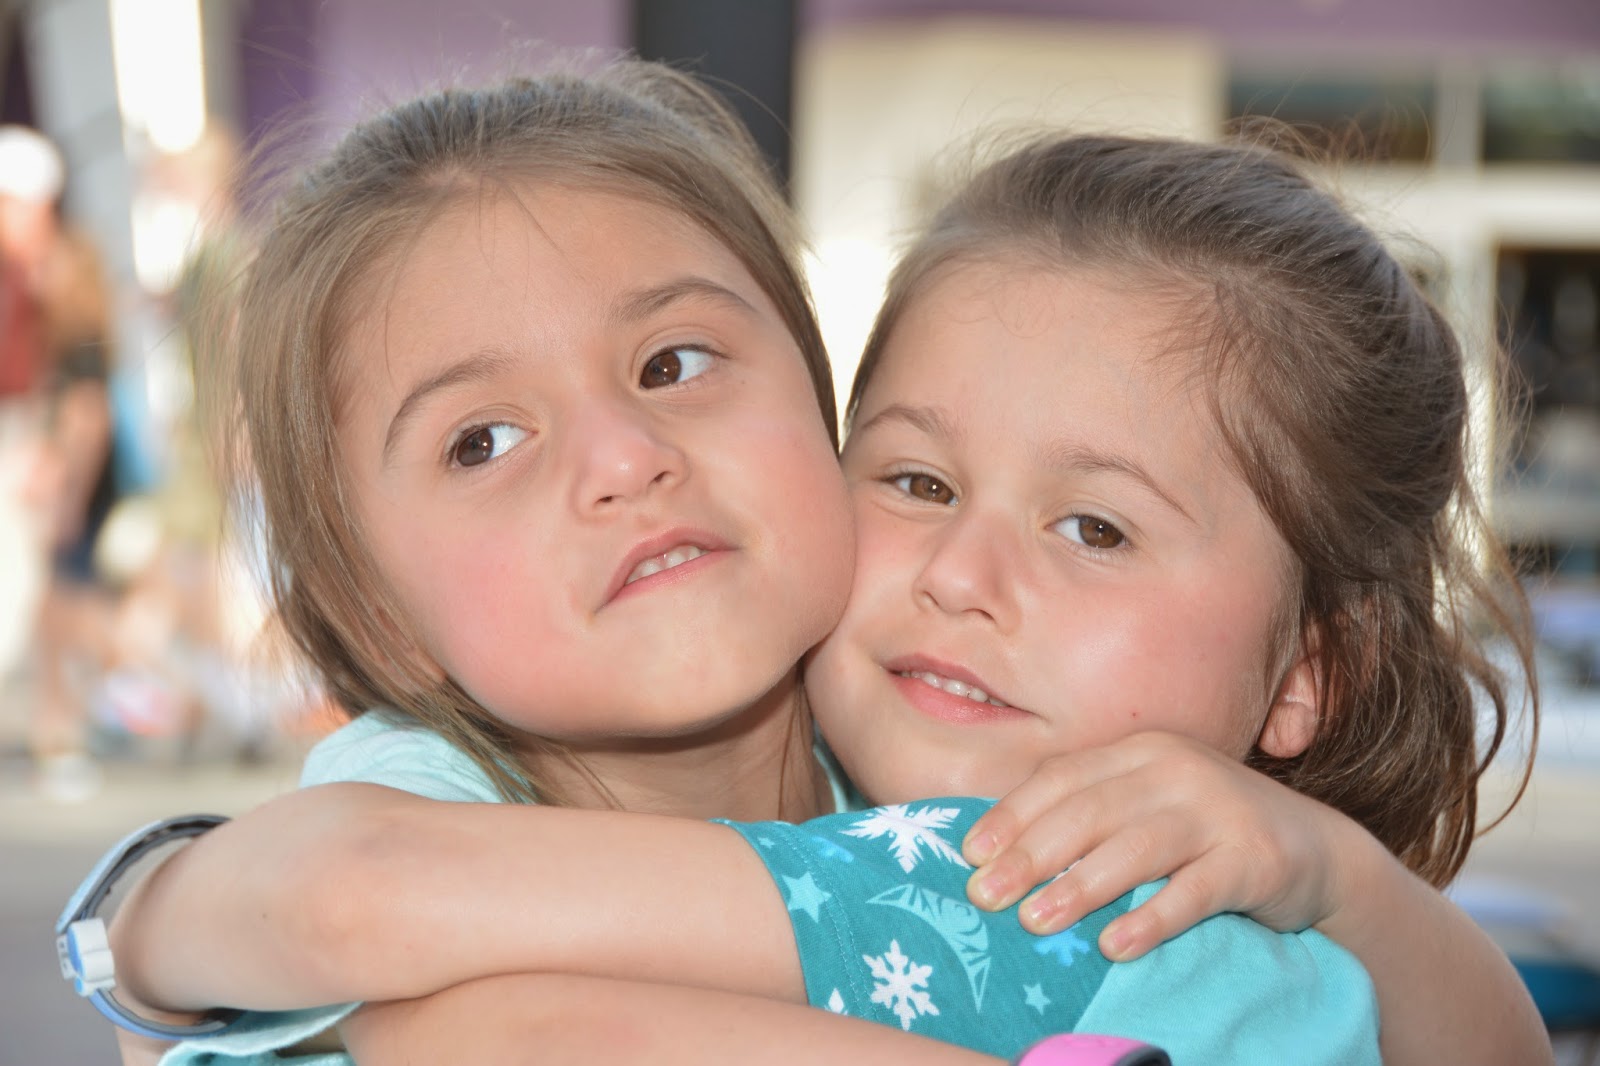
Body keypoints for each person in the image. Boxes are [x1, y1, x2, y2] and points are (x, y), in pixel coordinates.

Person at [89, 68, 1546, 1066]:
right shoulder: (422, 795)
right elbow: (372, 914)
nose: (623, 458)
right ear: (372, 611)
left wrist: (1332, 873)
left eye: (673, 363)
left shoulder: (1155, 910)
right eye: (920, 482)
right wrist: (138, 926)